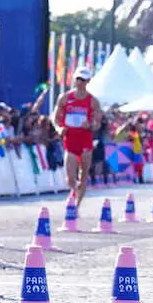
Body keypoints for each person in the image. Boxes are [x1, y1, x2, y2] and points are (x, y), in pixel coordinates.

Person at [52, 67, 102, 207]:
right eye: (78, 79)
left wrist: (91, 125)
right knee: (70, 179)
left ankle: (77, 206)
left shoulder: (93, 101)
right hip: (70, 140)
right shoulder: (65, 97)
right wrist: (59, 128)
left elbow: (97, 123)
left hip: (85, 140)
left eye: (83, 80)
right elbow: (55, 118)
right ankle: (74, 190)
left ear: (88, 81)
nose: (80, 82)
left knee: (83, 174)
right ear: (74, 79)